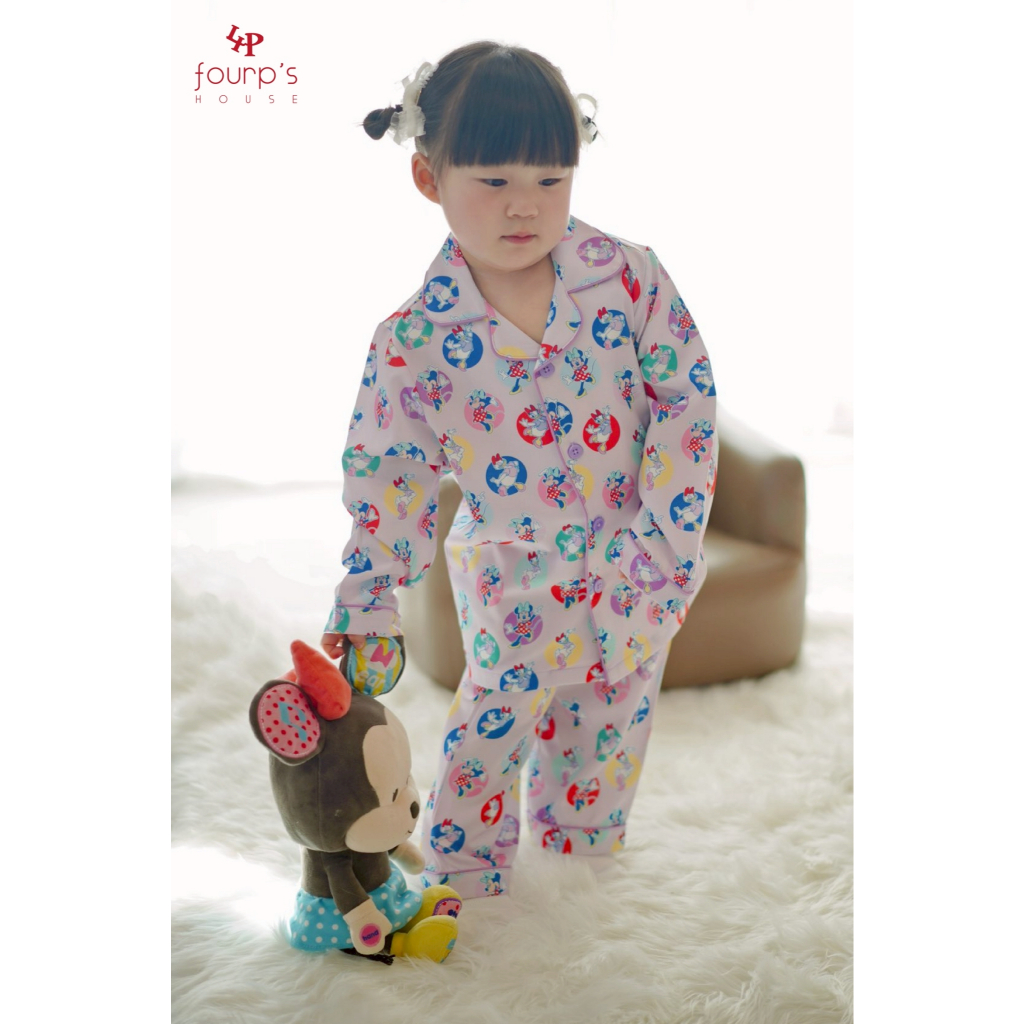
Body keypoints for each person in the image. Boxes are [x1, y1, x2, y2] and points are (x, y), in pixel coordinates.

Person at [320, 40, 718, 900]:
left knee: (613, 710)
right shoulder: (413, 342)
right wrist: (369, 596)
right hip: (512, 574)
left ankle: (583, 851)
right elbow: (390, 475)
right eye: (494, 179)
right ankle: (465, 867)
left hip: (637, 561)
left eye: (550, 178)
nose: (524, 204)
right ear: (428, 177)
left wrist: (667, 542)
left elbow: (687, 404)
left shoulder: (630, 281)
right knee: (494, 719)